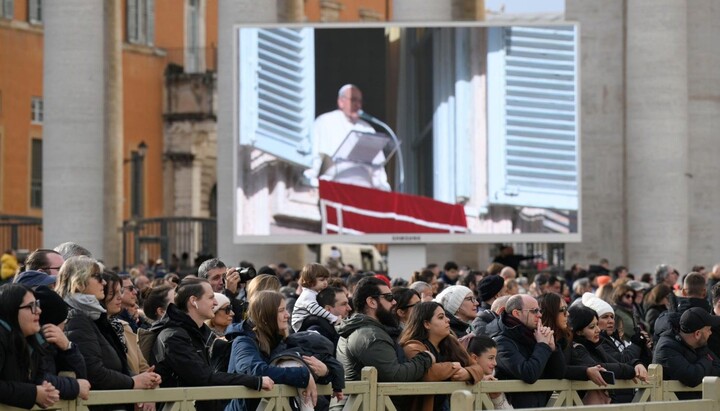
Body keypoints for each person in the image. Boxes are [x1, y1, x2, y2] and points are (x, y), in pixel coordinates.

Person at [148, 277, 272, 411]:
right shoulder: (173, 337)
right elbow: (204, 377)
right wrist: (254, 381)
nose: (215, 302)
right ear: (193, 301)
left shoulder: (198, 332)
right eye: (210, 297)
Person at [57, 257, 161, 411]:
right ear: (79, 282)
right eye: (98, 277)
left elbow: (115, 364)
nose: (103, 283)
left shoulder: (91, 316)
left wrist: (143, 379)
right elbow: (93, 372)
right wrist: (134, 382)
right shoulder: (76, 318)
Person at [227, 290, 340, 411]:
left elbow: (306, 370)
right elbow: (255, 370)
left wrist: (325, 372)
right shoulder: (243, 342)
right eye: (281, 311)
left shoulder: (280, 341)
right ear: (266, 315)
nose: (287, 315)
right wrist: (303, 375)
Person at [0, 284, 90, 409]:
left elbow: (38, 378)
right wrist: (34, 393)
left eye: (37, 304)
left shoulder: (31, 341)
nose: (38, 310)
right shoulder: (2, 337)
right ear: (12, 310)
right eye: (31, 306)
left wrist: (45, 390)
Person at [337, 277, 435, 382]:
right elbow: (396, 375)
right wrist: (425, 358)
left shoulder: (359, 328)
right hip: (367, 398)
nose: (394, 302)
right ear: (372, 302)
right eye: (389, 297)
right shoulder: (371, 336)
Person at [399, 301, 484, 411]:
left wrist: (467, 373)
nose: (447, 319)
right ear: (426, 324)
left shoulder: (451, 341)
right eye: (440, 317)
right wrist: (453, 366)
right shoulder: (412, 346)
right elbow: (426, 373)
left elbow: (478, 368)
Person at [305, 84, 390, 191]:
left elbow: (378, 168)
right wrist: (311, 182)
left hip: (365, 190)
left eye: (360, 101)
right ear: (341, 102)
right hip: (335, 186)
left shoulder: (368, 129)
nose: (358, 105)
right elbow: (315, 158)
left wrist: (383, 187)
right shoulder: (325, 121)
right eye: (353, 100)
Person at [495, 294, 565, 408]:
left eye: (539, 310)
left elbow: (559, 373)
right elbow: (529, 374)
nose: (540, 315)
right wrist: (542, 345)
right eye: (534, 311)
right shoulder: (501, 341)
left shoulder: (534, 335)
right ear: (516, 313)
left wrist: (553, 348)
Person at [567, 306, 647, 404]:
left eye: (597, 324)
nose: (598, 330)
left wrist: (636, 363)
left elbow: (616, 362)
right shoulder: (577, 349)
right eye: (592, 327)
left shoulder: (595, 345)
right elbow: (600, 368)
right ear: (578, 331)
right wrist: (631, 370)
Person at [653, 307, 720, 399]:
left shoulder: (699, 345)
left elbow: (718, 367)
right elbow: (692, 377)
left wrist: (702, 366)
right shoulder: (666, 348)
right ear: (697, 334)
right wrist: (707, 359)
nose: (711, 333)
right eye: (708, 329)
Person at [465, 335, 513, 409]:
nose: (495, 363)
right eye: (491, 358)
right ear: (474, 358)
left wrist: (497, 397)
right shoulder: (462, 381)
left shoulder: (495, 379)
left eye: (495, 358)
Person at [292, 263, 337, 332]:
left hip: (307, 319)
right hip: (300, 323)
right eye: (322, 280)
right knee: (319, 319)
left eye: (326, 279)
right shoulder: (308, 294)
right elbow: (315, 310)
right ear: (310, 280)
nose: (325, 282)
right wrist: (333, 318)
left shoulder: (313, 292)